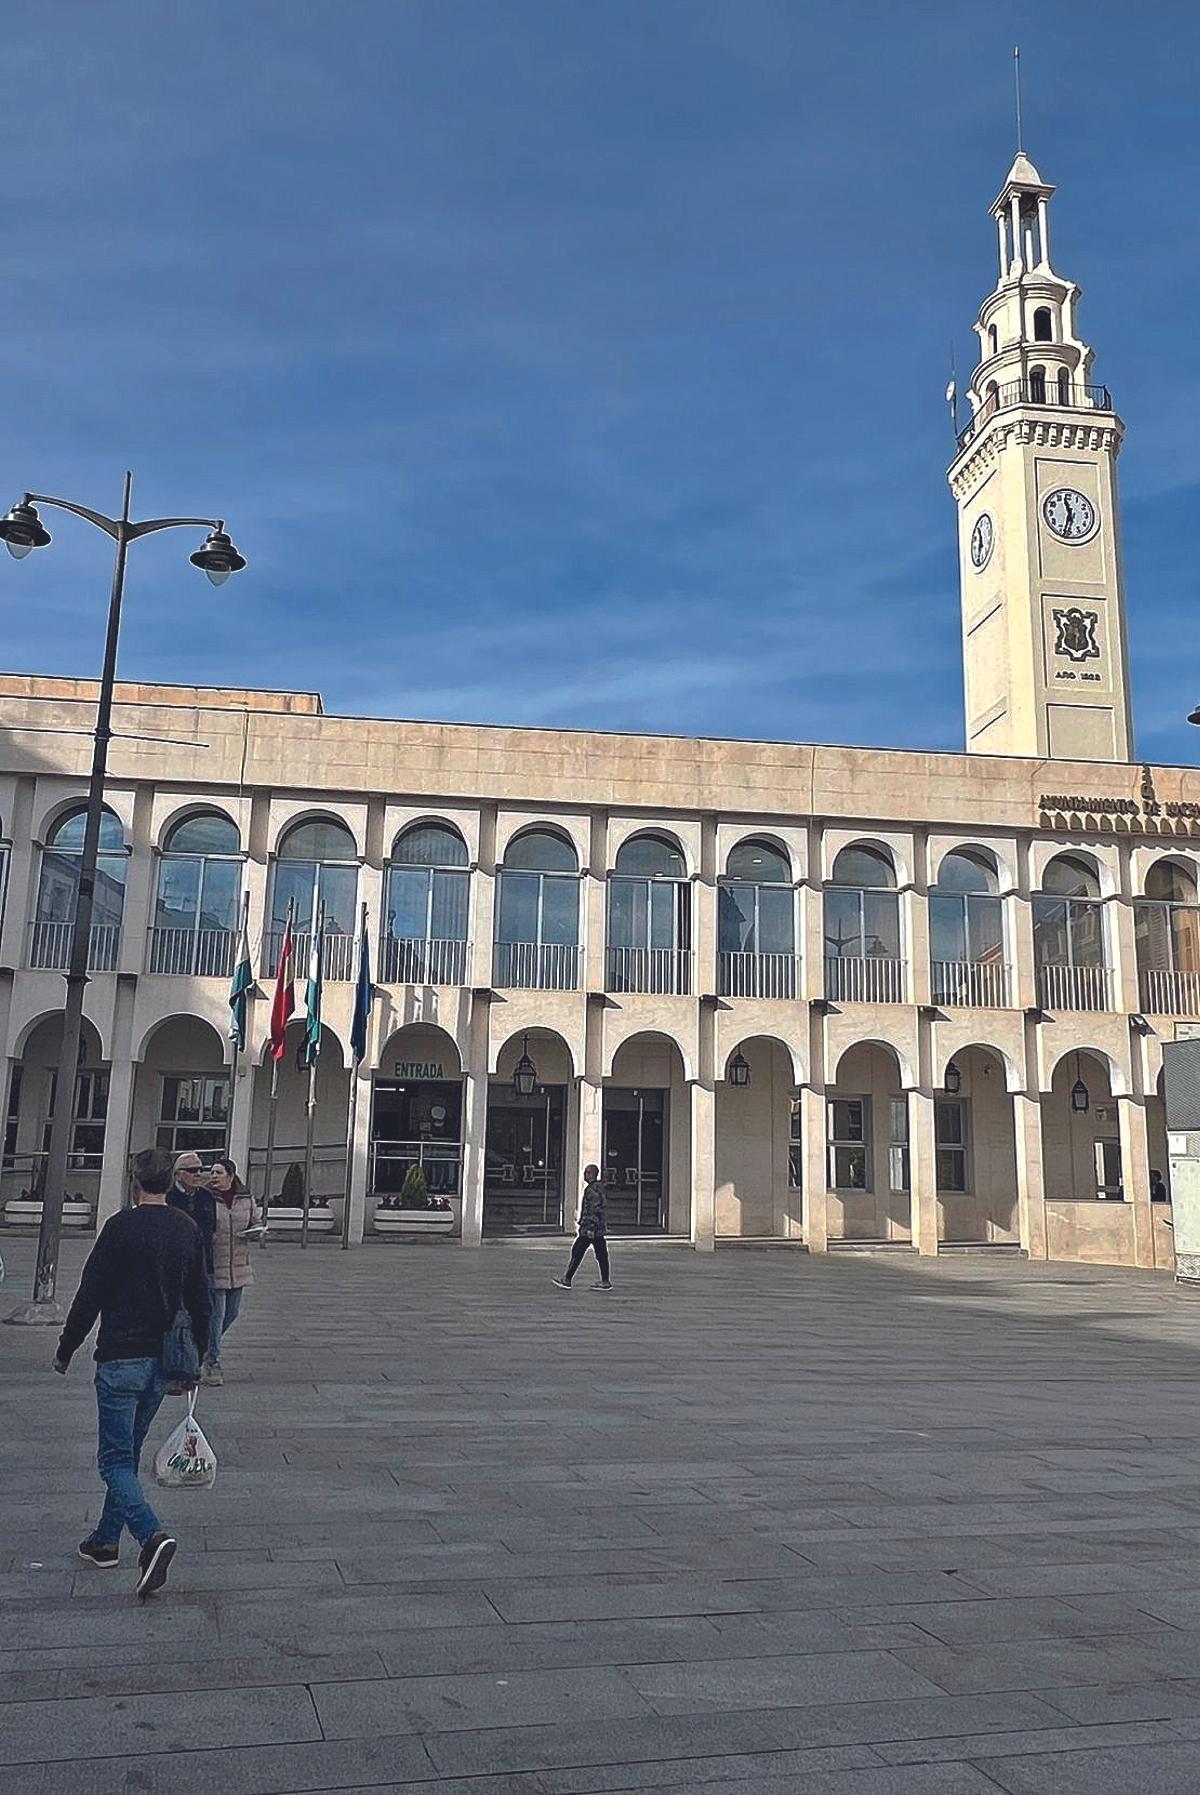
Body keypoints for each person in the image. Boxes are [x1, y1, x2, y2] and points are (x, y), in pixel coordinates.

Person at [55, 1145, 211, 1598]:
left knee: (114, 1459)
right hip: (162, 1361)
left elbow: (91, 1293)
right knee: (128, 1453)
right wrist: (196, 1359)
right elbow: (201, 1299)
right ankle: (105, 1541)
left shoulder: (120, 1228)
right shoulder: (185, 1228)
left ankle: (151, 1536)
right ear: (170, 1180)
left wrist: (67, 1348)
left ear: (136, 1181)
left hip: (120, 1357)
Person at [204, 1156, 261, 1386]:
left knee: (232, 1313)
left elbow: (255, 1220)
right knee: (216, 1316)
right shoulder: (207, 1198)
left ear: (230, 1175)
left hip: (238, 1263)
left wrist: (256, 1231)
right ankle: (213, 1361)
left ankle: (205, 1347)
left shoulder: (245, 1198)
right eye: (212, 1172)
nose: (213, 1176)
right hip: (214, 1263)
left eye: (218, 1172)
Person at [553, 1164, 612, 1291]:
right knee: (601, 1254)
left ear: (592, 1174)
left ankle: (567, 1279)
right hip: (596, 1229)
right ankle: (605, 1280)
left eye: (587, 1173)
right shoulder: (598, 1188)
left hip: (590, 1229)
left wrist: (590, 1227)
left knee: (578, 1252)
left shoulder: (592, 1190)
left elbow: (594, 1210)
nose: (585, 1175)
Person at [166, 1151, 216, 1277]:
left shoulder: (207, 1196)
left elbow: (212, 1228)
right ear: (178, 1175)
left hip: (203, 1265)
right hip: (174, 1265)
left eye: (200, 1169)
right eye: (192, 1170)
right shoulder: (167, 1197)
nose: (198, 1174)